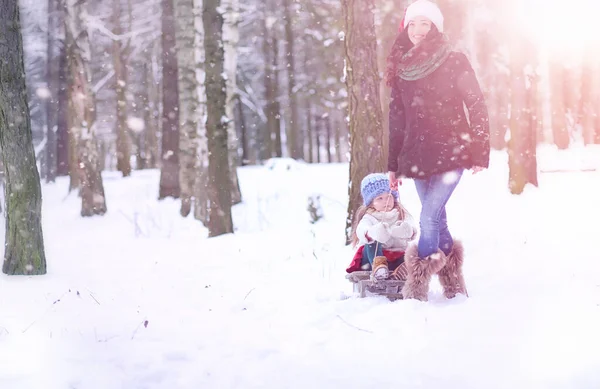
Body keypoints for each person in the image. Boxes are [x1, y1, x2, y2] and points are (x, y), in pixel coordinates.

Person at [385, 0, 490, 301]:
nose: (418, 30)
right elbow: (397, 119)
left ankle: (416, 287)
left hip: (452, 152)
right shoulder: (402, 66)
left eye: (425, 24)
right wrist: (393, 164)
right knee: (438, 219)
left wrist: (480, 150)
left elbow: (476, 104)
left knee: (428, 217)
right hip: (416, 157)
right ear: (405, 26)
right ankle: (454, 285)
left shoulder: (454, 60)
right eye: (413, 23)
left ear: (435, 28)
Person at [347, 173, 418, 281]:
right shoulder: (369, 217)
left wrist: (407, 230)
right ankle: (379, 267)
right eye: (380, 198)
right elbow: (361, 229)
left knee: (411, 253)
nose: (386, 201)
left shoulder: (401, 215)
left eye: (389, 196)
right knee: (371, 243)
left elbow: (412, 227)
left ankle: (402, 270)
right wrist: (372, 233)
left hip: (395, 257)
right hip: (371, 260)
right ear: (371, 203)